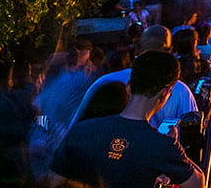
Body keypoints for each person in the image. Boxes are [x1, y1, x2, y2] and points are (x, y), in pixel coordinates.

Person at [52, 51, 204, 188]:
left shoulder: (83, 129)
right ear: (166, 93)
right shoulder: (160, 145)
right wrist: (176, 149)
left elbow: (56, 181)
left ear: (130, 86)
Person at [68, 26, 198, 129]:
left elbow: (75, 127)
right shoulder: (180, 91)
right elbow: (191, 137)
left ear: (137, 49)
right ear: (169, 51)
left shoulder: (105, 82)